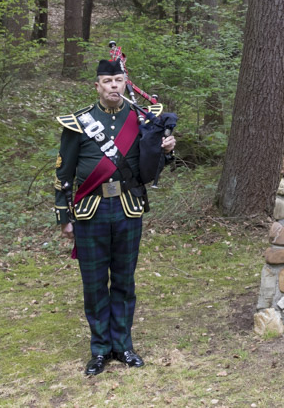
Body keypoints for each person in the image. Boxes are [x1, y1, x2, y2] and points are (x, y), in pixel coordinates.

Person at [54, 59, 176, 376]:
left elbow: (152, 165)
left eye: (118, 80)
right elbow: (63, 174)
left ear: (125, 84)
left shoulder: (141, 118)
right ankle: (99, 350)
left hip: (127, 208)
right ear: (97, 85)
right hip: (91, 211)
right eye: (107, 80)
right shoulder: (79, 122)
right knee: (94, 285)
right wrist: (63, 216)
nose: (112, 86)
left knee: (123, 282)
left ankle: (122, 346)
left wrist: (166, 150)